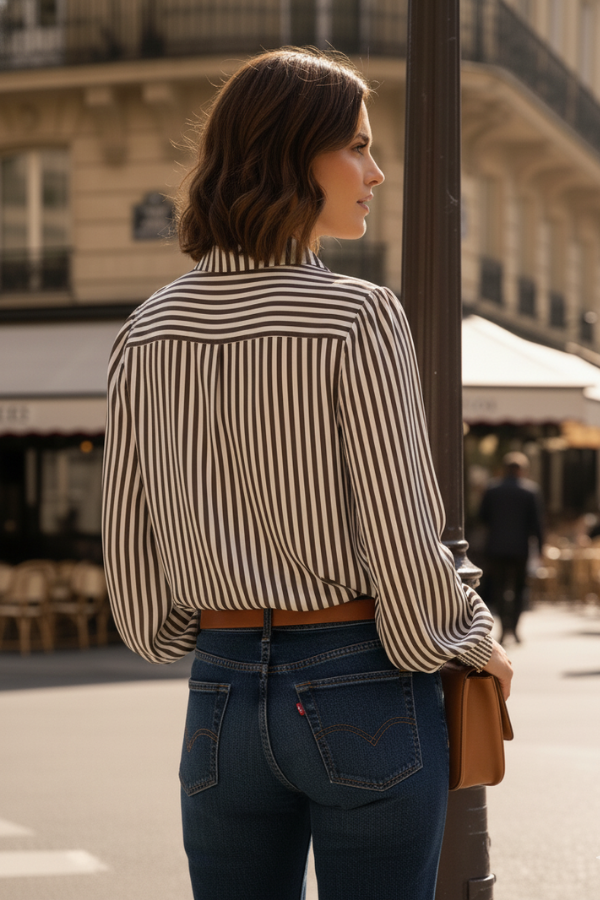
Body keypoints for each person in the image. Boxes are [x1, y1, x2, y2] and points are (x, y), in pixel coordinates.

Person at [102, 48, 512, 900]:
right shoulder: (357, 315)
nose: (378, 171)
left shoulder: (147, 330)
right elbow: (399, 529)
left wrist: (210, 635)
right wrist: (473, 638)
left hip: (217, 688)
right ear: (293, 154)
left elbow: (133, 561)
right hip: (360, 675)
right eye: (357, 147)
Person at [479, 451, 544, 643]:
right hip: (520, 549)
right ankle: (514, 628)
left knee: (499, 588)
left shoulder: (492, 489)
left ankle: (503, 627)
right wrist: (539, 550)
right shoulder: (530, 491)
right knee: (519, 588)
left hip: (496, 548)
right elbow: (537, 524)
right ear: (522, 470)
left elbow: (483, 517)